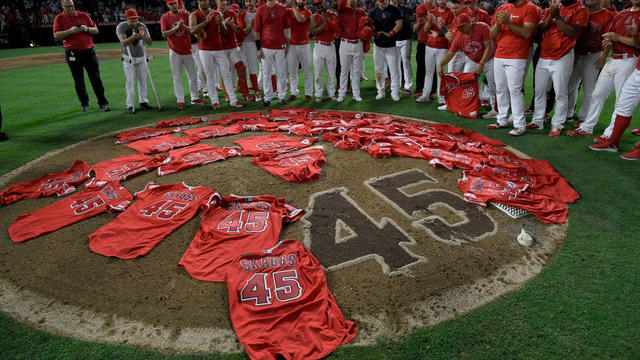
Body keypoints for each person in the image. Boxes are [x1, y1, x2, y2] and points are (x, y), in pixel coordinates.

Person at [575, 0, 640, 141]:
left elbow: (637, 43)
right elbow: (611, 35)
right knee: (597, 94)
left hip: (629, 59)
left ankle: (609, 135)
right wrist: (607, 48)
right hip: (614, 58)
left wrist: (618, 38)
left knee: (621, 100)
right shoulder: (621, 14)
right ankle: (586, 127)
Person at [526, 0, 588, 137]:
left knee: (561, 92)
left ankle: (558, 124)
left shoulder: (581, 9)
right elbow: (540, 28)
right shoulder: (554, 7)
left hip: (563, 55)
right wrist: (551, 17)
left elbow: (572, 32)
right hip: (545, 53)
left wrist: (558, 18)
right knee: (540, 90)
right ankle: (537, 120)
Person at [487, 0, 541, 136]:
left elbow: (526, 33)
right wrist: (499, 24)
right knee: (500, 88)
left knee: (515, 90)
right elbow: (491, 35)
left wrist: (508, 23)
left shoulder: (530, 8)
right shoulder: (503, 8)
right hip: (500, 53)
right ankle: (502, 119)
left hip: (517, 54)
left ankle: (519, 124)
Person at [589, 21, 640, 159]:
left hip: (632, 65)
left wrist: (620, 37)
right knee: (623, 104)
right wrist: (635, 36)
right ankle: (613, 142)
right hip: (638, 69)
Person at [565, 0, 614, 133]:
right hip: (576, 53)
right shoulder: (580, 11)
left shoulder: (608, 15)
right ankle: (568, 114)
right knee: (570, 86)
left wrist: (603, 56)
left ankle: (584, 117)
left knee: (589, 88)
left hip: (594, 54)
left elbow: (608, 38)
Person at [53, 0, 109, 112]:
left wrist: (87, 29)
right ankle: (84, 103)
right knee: (78, 81)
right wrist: (70, 31)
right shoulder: (59, 18)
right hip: (72, 53)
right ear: (62, 6)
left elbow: (96, 30)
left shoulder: (83, 15)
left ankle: (102, 103)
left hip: (88, 51)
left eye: (72, 6)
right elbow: (56, 35)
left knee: (96, 79)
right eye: (68, 7)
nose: (71, 9)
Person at [437, 13, 496, 116]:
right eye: (458, 27)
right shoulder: (459, 37)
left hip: (490, 59)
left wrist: (481, 63)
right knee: (466, 82)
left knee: (493, 85)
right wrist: (441, 65)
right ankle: (467, 105)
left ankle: (495, 110)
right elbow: (450, 53)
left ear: (470, 23)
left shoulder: (482, 27)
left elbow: (488, 47)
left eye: (462, 26)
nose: (460, 29)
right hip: (473, 60)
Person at [189, 0, 243, 109]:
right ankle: (215, 101)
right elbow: (192, 30)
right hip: (204, 49)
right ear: (198, 2)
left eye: (205, 0)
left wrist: (220, 23)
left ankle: (233, 99)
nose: (204, 3)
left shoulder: (217, 14)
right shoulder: (194, 15)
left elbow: (224, 32)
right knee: (210, 76)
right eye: (201, 1)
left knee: (226, 74)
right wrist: (206, 22)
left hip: (219, 48)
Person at [161, 0, 205, 109]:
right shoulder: (165, 17)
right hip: (174, 50)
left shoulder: (186, 15)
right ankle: (180, 100)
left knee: (192, 76)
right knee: (177, 77)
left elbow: (193, 30)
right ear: (168, 5)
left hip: (188, 49)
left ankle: (194, 97)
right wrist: (176, 28)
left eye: (175, 3)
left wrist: (183, 26)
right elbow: (164, 34)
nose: (174, 5)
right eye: (171, 4)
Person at [254, 0, 292, 106]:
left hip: (280, 45)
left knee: (281, 72)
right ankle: (267, 97)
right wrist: (258, 49)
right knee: (266, 73)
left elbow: (287, 27)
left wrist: (288, 44)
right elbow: (256, 30)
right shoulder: (260, 10)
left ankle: (282, 96)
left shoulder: (282, 9)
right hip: (265, 46)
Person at [116, 8, 153, 114]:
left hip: (141, 57)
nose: (134, 22)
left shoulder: (142, 26)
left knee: (143, 80)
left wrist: (144, 35)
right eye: (132, 20)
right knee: (130, 82)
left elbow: (149, 42)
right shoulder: (121, 26)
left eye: (136, 20)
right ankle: (130, 105)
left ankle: (143, 101)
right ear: (127, 19)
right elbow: (123, 42)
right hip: (128, 58)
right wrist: (133, 37)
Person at [416, 0, 453, 103]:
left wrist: (435, 21)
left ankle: (441, 96)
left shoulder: (450, 13)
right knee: (428, 71)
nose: (442, 1)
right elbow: (425, 29)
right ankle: (425, 94)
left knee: (440, 72)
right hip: (430, 45)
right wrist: (429, 21)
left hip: (443, 46)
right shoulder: (432, 11)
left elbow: (449, 31)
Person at [369, 0, 403, 101]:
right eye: (380, 1)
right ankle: (380, 91)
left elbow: (399, 24)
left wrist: (390, 33)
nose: (382, 2)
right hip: (378, 45)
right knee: (378, 70)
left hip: (391, 45)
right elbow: (368, 27)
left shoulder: (394, 10)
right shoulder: (373, 12)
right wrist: (374, 33)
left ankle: (395, 91)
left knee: (394, 70)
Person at [336, 0, 367, 102]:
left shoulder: (361, 12)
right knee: (344, 70)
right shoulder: (342, 10)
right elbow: (340, 5)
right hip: (345, 43)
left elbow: (366, 26)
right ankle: (342, 94)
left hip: (358, 43)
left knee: (356, 71)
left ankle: (356, 94)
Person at [310, 0, 339, 103]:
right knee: (318, 72)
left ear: (325, 3)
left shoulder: (333, 14)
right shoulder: (314, 17)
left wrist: (328, 21)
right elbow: (313, 31)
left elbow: (336, 29)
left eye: (320, 4)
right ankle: (318, 94)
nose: (319, 6)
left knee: (331, 72)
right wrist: (324, 24)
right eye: (316, 5)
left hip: (330, 45)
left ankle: (331, 93)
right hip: (319, 46)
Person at [286, 0, 313, 101]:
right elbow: (279, 11)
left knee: (307, 70)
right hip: (292, 45)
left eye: (303, 0)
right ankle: (293, 92)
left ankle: (308, 93)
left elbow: (300, 19)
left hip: (304, 44)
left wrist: (293, 7)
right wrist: (288, 4)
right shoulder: (289, 10)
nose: (301, 1)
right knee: (292, 71)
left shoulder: (308, 12)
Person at [239, 0, 261, 100]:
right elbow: (242, 32)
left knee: (268, 67)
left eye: (251, 0)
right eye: (247, 1)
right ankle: (255, 91)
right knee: (252, 68)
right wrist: (251, 25)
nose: (249, 3)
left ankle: (273, 91)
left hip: (262, 42)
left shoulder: (260, 11)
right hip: (249, 43)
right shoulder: (243, 14)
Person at [391, 0, 414, 96]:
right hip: (395, 39)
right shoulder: (391, 9)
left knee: (405, 63)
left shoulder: (407, 8)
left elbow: (408, 22)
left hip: (405, 39)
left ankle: (408, 87)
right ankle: (398, 85)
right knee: (395, 64)